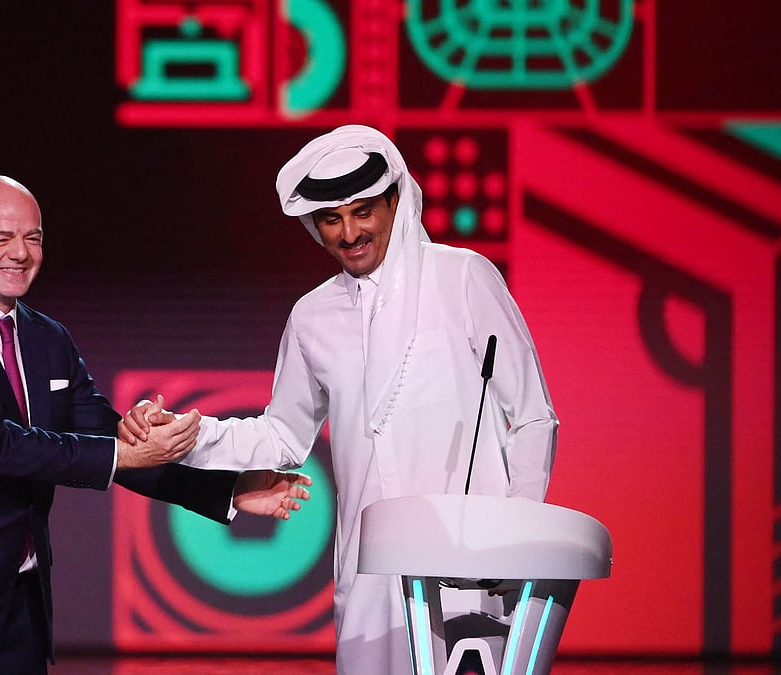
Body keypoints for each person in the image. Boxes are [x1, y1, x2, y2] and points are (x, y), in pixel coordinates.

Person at [0, 176, 312, 674]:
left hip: (13, 617)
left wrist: (226, 489)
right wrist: (124, 452)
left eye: (32, 238)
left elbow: (108, 439)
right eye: (0, 238)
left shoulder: (47, 339)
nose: (19, 253)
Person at [122, 125, 557, 673]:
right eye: (332, 219)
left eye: (362, 212)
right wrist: (192, 435)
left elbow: (534, 417)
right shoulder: (312, 316)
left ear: (394, 203)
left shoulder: (464, 278)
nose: (350, 233)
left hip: (474, 566)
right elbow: (281, 435)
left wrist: (516, 538)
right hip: (371, 576)